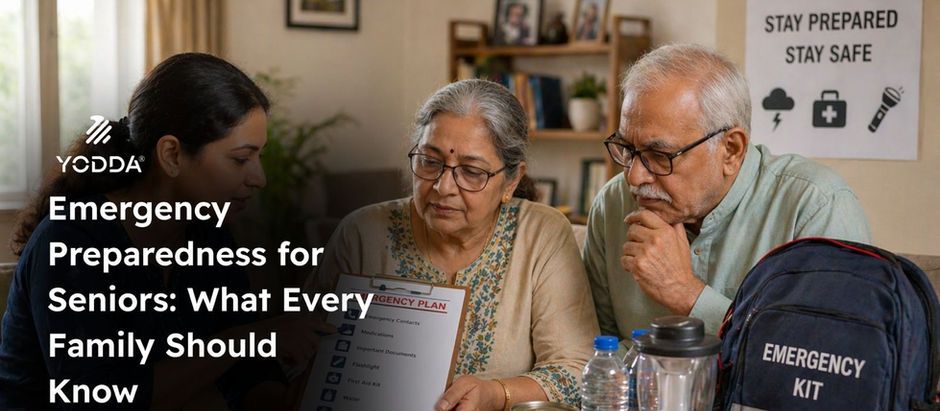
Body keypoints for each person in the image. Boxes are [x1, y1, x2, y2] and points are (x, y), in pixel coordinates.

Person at [1, 53, 325, 409]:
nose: (259, 178)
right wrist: (249, 338)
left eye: (258, 156)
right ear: (171, 155)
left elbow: (246, 377)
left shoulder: (209, 238)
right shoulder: (69, 240)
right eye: (240, 159)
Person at [310, 79, 598, 410]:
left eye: (471, 171)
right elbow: (302, 355)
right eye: (430, 162)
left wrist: (498, 394)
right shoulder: (361, 234)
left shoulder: (542, 235)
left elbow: (578, 371)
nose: (443, 187)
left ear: (512, 180)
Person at [583, 44, 871, 349]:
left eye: (659, 154)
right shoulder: (612, 205)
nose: (634, 176)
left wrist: (686, 294)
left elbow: (830, 358)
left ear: (731, 150)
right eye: (627, 149)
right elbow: (598, 351)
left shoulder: (816, 206)